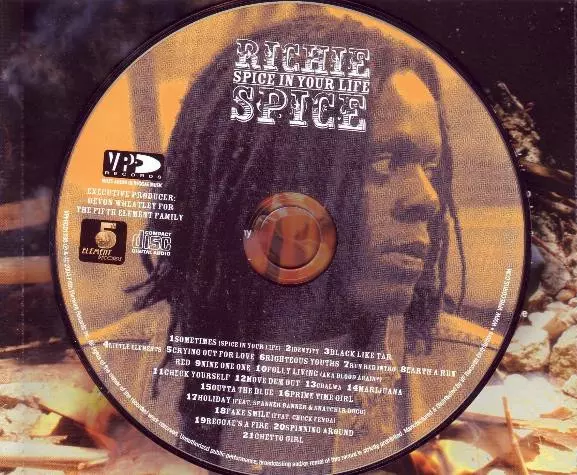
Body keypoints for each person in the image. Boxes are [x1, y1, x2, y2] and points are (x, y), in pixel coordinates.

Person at [92, 10, 497, 474]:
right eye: (382, 163)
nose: (427, 199)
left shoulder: (476, 385)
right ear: (267, 180)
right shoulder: (107, 373)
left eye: (431, 168)